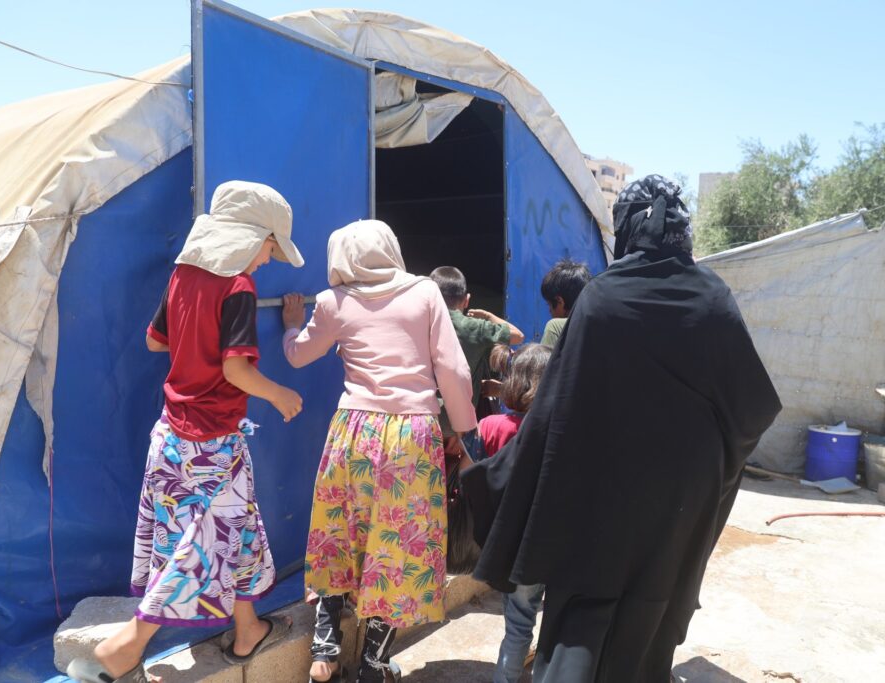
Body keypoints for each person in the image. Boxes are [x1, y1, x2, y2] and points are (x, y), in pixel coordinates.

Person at [463, 175, 782, 683]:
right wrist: (707, 466)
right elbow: (754, 407)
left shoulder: (603, 298)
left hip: (599, 492)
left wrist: (497, 474)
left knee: (581, 614)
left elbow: (556, 409)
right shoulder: (713, 298)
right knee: (650, 608)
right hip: (678, 498)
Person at [68, 181, 306, 683]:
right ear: (250, 237)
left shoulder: (183, 274)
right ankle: (126, 645)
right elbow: (238, 369)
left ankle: (247, 630)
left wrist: (193, 341)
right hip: (212, 441)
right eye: (269, 245)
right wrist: (280, 394)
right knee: (193, 551)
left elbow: (156, 342)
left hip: (174, 438)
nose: (268, 259)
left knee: (238, 531)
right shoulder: (237, 287)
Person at [281, 220, 476, 683]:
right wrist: (466, 430)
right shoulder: (426, 294)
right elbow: (452, 368)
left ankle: (325, 654)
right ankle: (372, 662)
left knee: (338, 536)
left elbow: (298, 356)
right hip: (413, 436)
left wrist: (291, 326)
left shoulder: (332, 302)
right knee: (398, 550)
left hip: (353, 432)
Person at [478, 344, 552, 683]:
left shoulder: (491, 426)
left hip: (514, 545)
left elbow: (478, 476)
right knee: (557, 628)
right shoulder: (558, 431)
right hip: (553, 538)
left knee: (519, 625)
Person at [429, 266, 524, 415]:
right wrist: (487, 315)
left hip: (424, 418)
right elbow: (518, 335)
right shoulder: (475, 328)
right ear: (466, 301)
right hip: (459, 421)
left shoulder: (416, 324)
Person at [539, 259, 592, 348]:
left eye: (549, 305)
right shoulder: (603, 324)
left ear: (560, 301)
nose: (549, 311)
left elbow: (543, 361)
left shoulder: (555, 327)